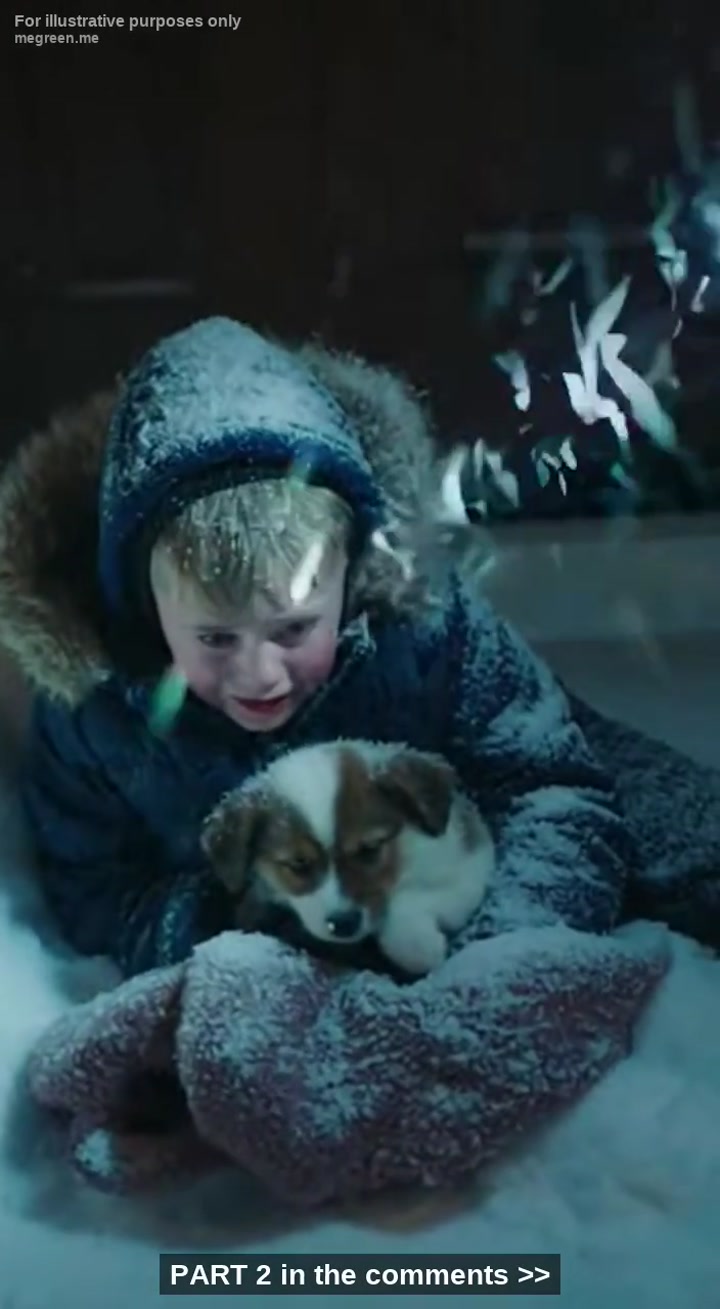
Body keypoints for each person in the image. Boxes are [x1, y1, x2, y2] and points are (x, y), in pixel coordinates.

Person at [0, 316, 637, 977]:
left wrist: (498, 943)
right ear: (148, 610)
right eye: (215, 637)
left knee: (671, 836)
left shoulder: (427, 632)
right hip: (257, 966)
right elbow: (92, 889)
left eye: (293, 629)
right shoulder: (97, 712)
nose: (260, 674)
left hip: (458, 914)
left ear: (353, 577)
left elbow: (553, 790)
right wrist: (239, 935)